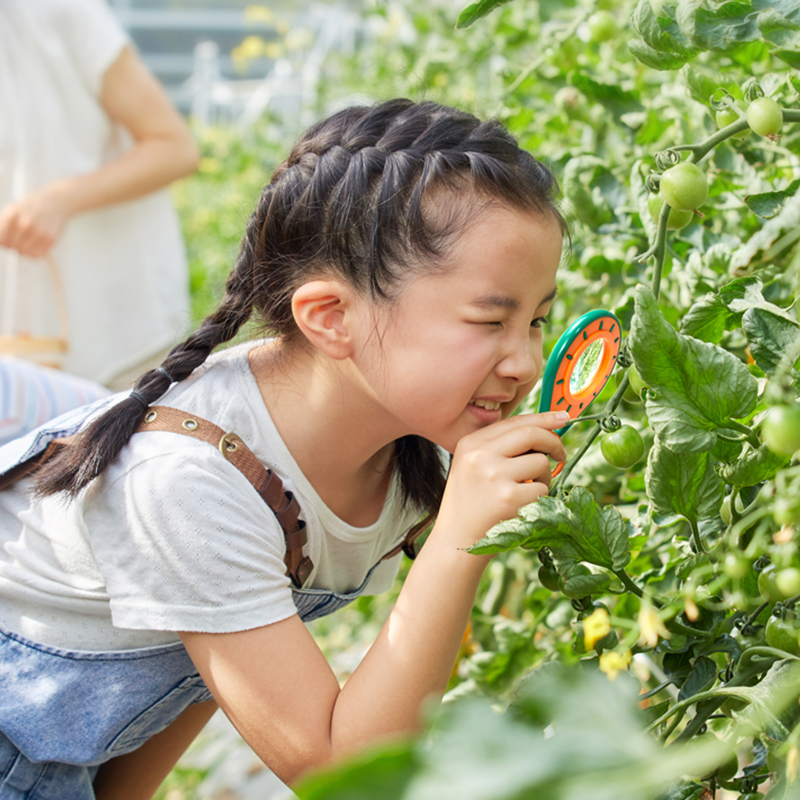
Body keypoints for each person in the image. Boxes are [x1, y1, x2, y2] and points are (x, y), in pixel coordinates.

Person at [0, 99, 569, 799]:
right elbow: (342, 776)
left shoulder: (393, 457)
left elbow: (198, 667)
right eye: (491, 320)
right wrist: (459, 538)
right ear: (331, 317)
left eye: (539, 319)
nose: (525, 362)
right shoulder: (190, 483)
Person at [0, 0, 198, 389]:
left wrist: (60, 199)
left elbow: (174, 147)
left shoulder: (62, 12)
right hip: (21, 351)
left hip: (117, 331)